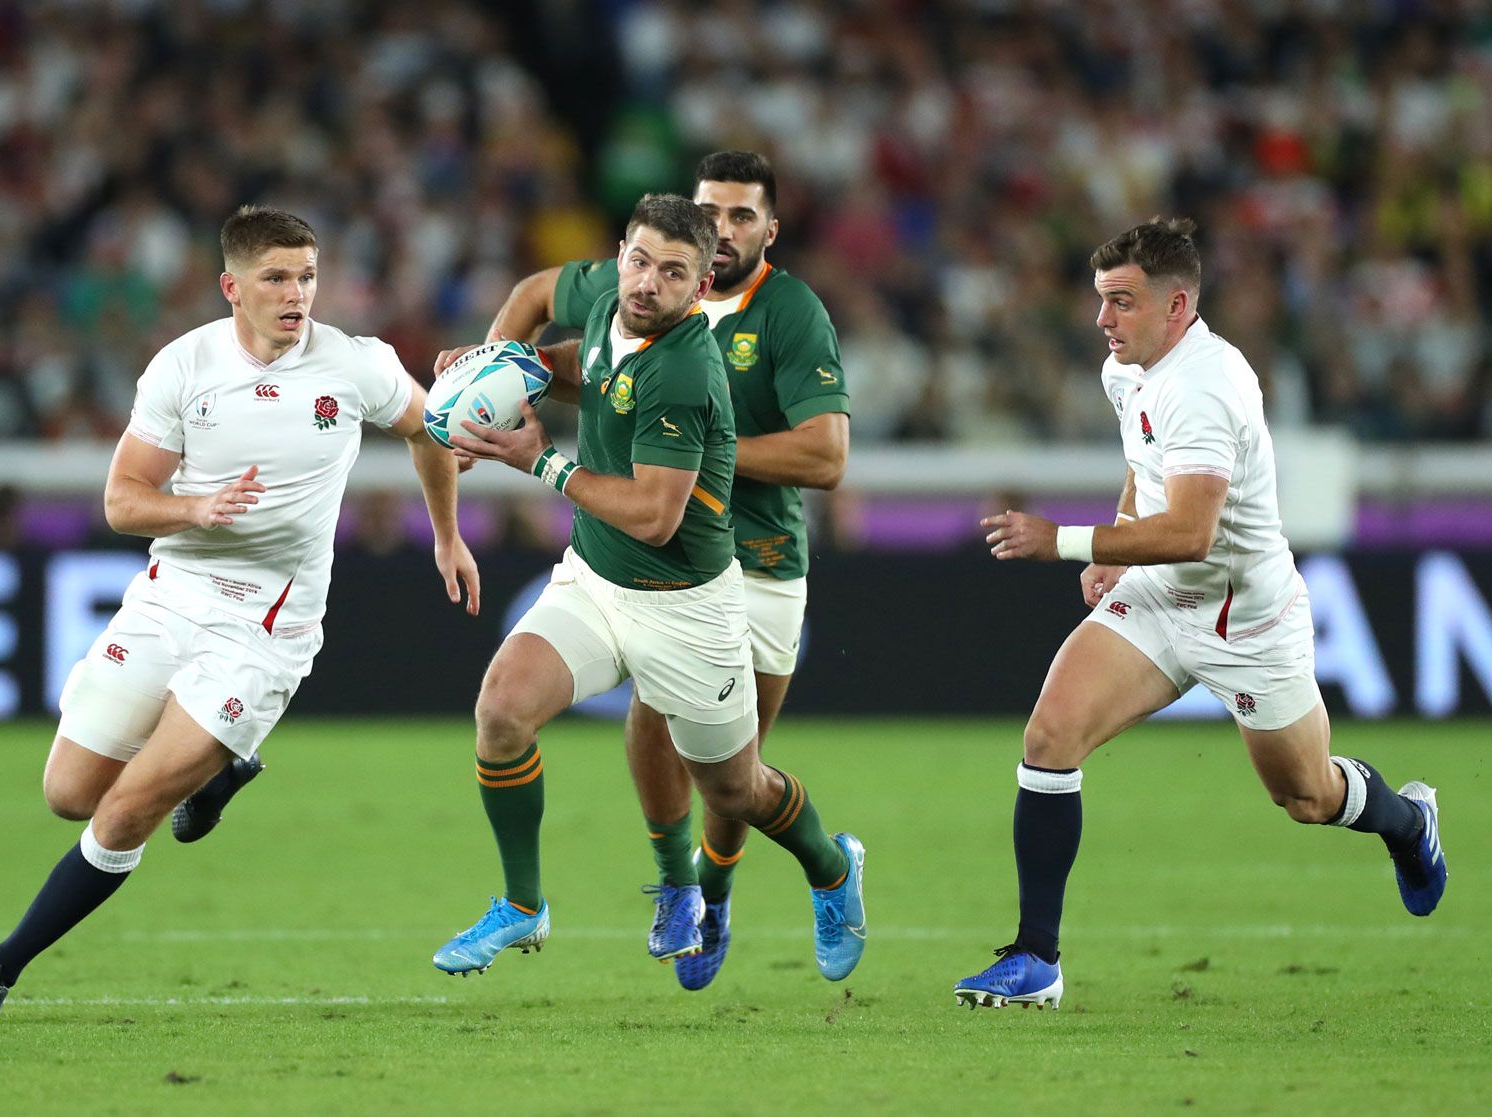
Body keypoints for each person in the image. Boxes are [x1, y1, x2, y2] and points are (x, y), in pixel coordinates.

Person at [0, 205, 480, 1024]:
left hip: (264, 629)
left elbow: (429, 431)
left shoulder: (354, 364)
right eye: (276, 278)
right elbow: (122, 500)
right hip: (171, 596)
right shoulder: (183, 367)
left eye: (308, 276)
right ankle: (220, 769)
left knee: (126, 812)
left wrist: (446, 535)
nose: (297, 294)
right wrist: (196, 508)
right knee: (70, 793)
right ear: (232, 287)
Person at [954, 219, 1447, 1010]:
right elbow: (1143, 460)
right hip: (1158, 598)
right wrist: (1121, 537)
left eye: (1121, 302)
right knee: (1049, 736)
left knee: (1307, 795)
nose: (1102, 319)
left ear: (1178, 305)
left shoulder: (1208, 384)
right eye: (1101, 300)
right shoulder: (1128, 367)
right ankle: (1036, 956)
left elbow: (1192, 531)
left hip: (1242, 616)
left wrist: (1069, 541)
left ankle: (1407, 822)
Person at [429, 193, 864, 983]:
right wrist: (499, 369)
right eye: (638, 261)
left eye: (672, 272)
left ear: (700, 287)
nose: (647, 282)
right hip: (594, 581)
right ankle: (525, 903)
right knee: (501, 712)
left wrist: (539, 460)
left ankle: (832, 867)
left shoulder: (685, 370)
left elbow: (656, 516)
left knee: (734, 788)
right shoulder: (611, 300)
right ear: (621, 255)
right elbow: (577, 356)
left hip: (686, 604)